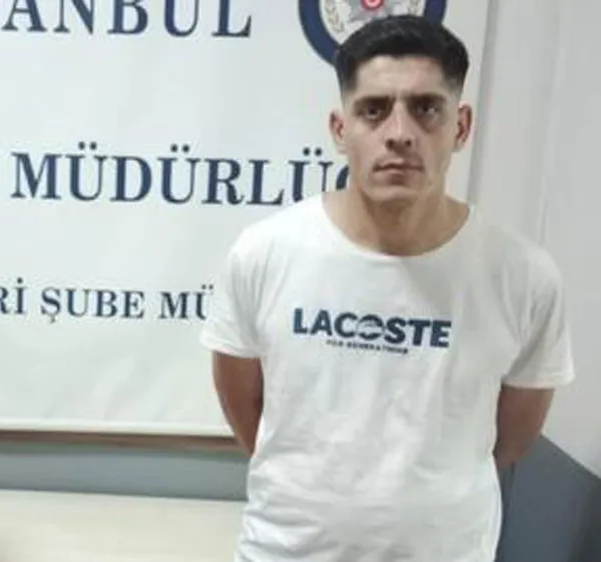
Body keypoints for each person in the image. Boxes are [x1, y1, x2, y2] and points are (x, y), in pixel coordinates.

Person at [200, 14, 575, 562]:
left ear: (461, 127)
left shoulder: (523, 275)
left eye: (426, 108)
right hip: (286, 550)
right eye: (373, 110)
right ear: (340, 129)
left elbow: (511, 438)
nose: (399, 132)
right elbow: (244, 404)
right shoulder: (264, 254)